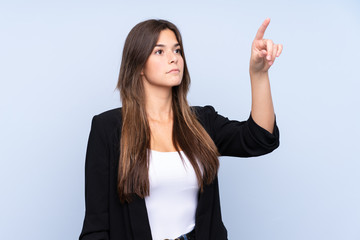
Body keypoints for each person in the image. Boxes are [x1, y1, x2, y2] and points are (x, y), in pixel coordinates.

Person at [79, 18, 282, 240]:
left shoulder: (202, 122)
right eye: (159, 51)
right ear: (138, 66)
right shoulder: (108, 129)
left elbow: (260, 138)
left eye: (177, 50)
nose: (173, 57)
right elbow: (96, 227)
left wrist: (259, 74)